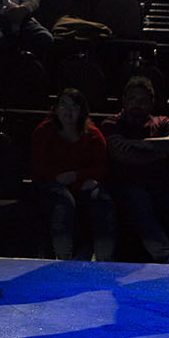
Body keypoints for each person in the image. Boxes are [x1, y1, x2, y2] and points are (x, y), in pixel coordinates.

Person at [101, 75, 169, 263]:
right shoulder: (112, 124)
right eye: (133, 99)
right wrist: (162, 152)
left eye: (143, 100)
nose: (138, 104)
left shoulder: (162, 122)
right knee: (140, 205)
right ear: (124, 100)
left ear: (151, 103)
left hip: (167, 185)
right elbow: (124, 156)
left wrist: (142, 144)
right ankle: (168, 258)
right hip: (131, 185)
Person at [31, 88, 115, 261]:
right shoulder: (44, 131)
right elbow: (39, 166)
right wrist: (61, 178)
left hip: (82, 183)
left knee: (103, 202)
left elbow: (101, 167)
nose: (68, 111)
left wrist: (78, 176)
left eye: (74, 107)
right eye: (63, 105)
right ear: (56, 109)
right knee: (63, 202)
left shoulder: (93, 135)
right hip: (51, 184)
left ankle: (105, 261)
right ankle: (63, 259)